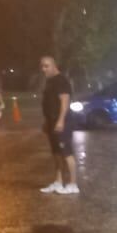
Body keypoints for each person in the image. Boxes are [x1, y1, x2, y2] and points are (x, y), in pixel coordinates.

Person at [39, 56, 78, 195]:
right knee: (56, 153)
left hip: (63, 122)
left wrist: (61, 120)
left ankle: (73, 184)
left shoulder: (61, 80)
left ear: (54, 65)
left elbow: (64, 102)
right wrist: (46, 122)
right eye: (42, 66)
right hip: (51, 122)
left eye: (47, 66)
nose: (44, 69)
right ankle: (58, 182)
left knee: (66, 153)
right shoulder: (50, 81)